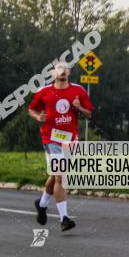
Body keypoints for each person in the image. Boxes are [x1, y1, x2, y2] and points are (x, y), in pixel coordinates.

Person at [27, 61, 94, 231]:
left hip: (70, 140)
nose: (62, 71)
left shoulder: (78, 90)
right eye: (59, 69)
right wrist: (37, 117)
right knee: (60, 176)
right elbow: (32, 109)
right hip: (51, 138)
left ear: (69, 72)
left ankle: (42, 204)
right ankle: (64, 218)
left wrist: (79, 107)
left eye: (65, 69)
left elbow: (89, 114)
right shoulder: (45, 92)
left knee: (56, 175)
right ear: (53, 73)